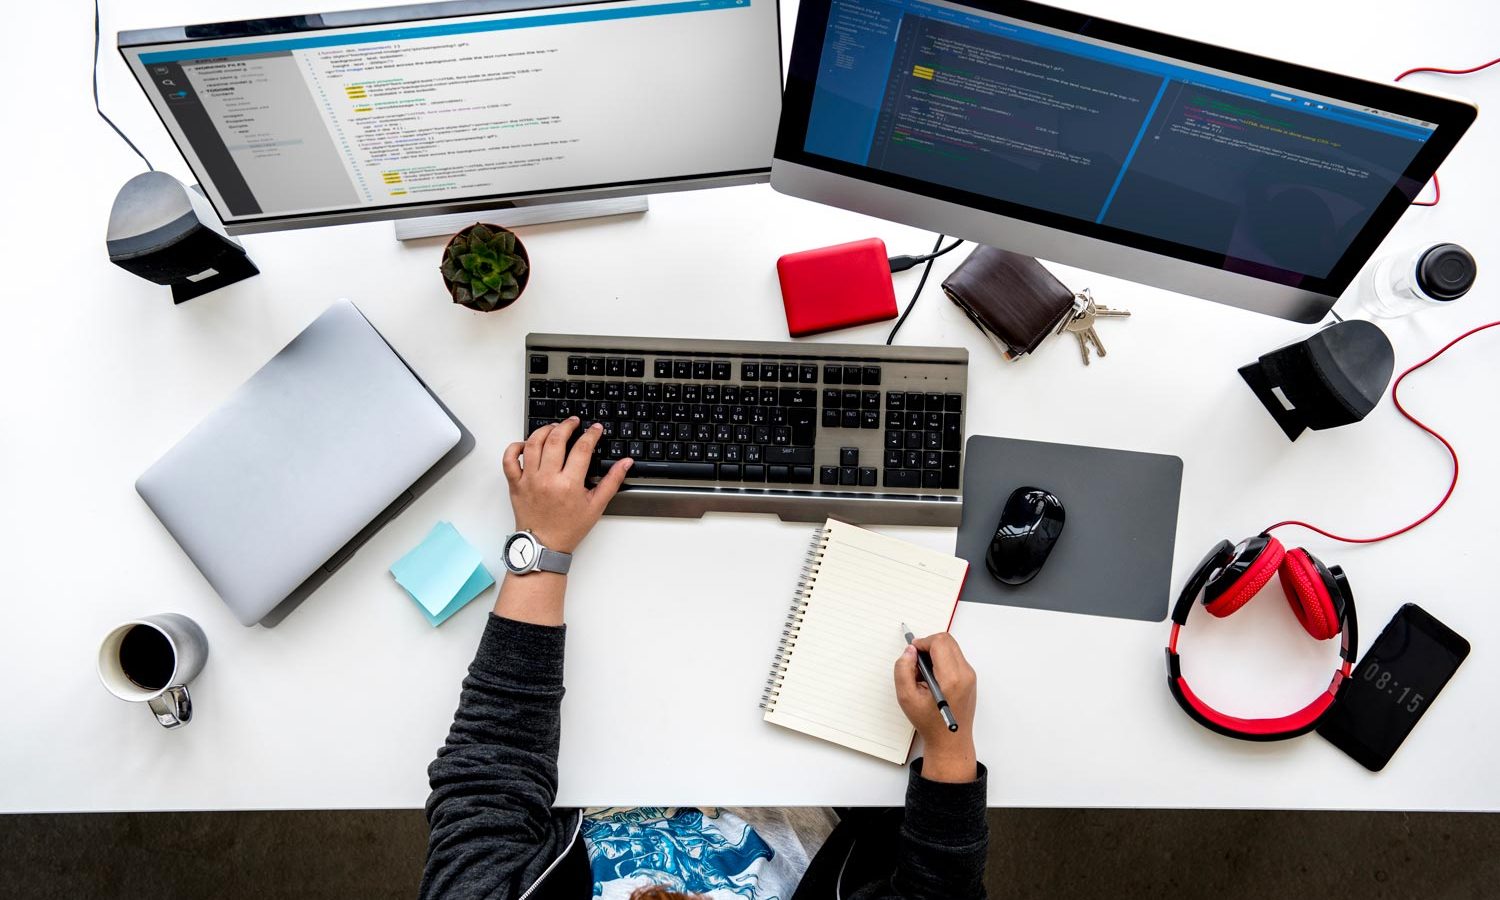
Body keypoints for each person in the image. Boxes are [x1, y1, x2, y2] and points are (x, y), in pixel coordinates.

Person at [420, 418, 989, 900]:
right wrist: (950, 745)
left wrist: (540, 550)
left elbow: (489, 775)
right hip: (820, 764)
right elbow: (938, 891)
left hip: (601, 749)